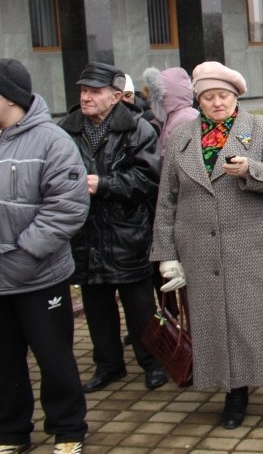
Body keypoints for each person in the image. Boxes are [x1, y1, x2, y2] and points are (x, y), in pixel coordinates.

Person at [151, 61, 263, 430]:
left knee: (259, 320)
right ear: (198, 101)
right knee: (214, 323)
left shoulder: (262, 128)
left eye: (223, 96)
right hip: (198, 250)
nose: (217, 103)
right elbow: (167, 200)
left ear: (235, 97)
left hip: (247, 246)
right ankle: (234, 393)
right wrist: (167, 255)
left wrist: (251, 170)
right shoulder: (182, 136)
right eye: (208, 97)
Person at [58, 62, 166, 394]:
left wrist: (103, 184)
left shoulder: (138, 128)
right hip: (85, 235)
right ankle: (108, 366)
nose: (85, 97)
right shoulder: (67, 129)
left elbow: (149, 179)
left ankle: (154, 362)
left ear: (116, 96)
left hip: (127, 233)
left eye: (94, 91)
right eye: (83, 90)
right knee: (97, 308)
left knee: (140, 308)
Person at [0, 59, 90, 454]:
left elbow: (66, 208)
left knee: (54, 358)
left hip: (39, 275)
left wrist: (22, 258)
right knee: (5, 361)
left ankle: (68, 429)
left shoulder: (52, 141)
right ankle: (11, 431)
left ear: (9, 97)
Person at [141, 66, 200, 159]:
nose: (151, 105)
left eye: (154, 99)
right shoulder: (171, 117)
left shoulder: (186, 117)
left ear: (165, 97)